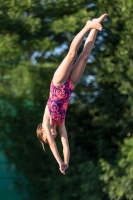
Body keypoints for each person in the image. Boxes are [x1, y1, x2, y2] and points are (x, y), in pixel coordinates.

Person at [36, 14, 108, 174]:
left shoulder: (46, 122)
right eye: (52, 137)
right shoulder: (60, 124)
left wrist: (58, 161)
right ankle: (94, 25)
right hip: (69, 87)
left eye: (49, 137)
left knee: (72, 54)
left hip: (58, 84)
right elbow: (65, 144)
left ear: (43, 132)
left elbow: (54, 146)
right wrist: (66, 163)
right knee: (85, 56)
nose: (53, 137)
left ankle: (87, 25)